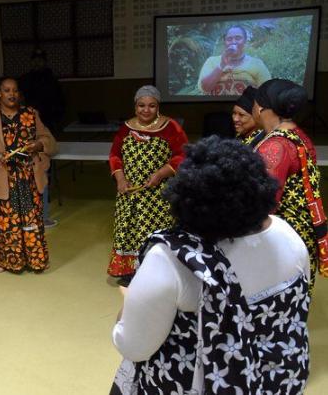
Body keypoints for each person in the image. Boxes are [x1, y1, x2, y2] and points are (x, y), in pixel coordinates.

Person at [111, 137, 310, 394]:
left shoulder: (171, 259)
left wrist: (127, 304)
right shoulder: (287, 236)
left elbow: (134, 346)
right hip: (276, 381)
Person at [0, 76, 57, 273]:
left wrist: (38, 144)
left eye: (15, 90)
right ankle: (7, 261)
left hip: (29, 177)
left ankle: (35, 261)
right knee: (6, 222)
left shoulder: (30, 114)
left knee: (32, 220)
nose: (12, 94)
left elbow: (48, 139)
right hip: (4, 177)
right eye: (7, 90)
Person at [108, 85, 187, 286]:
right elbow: (115, 155)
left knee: (155, 231)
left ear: (158, 106)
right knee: (130, 230)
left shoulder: (171, 127)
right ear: (135, 107)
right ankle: (130, 271)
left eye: (151, 106)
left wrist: (161, 174)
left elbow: (183, 154)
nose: (146, 110)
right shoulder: (126, 128)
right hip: (130, 193)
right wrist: (120, 179)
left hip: (158, 194)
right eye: (141, 105)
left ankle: (157, 272)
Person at [252, 78, 324, 290]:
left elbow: (264, 201)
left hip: (281, 241)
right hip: (300, 235)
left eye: (255, 103)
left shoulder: (275, 146)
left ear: (262, 107)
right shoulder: (296, 133)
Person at [19, 49, 65, 228]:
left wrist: (55, 124)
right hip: (24, 130)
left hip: (46, 127)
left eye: (40, 60)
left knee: (43, 170)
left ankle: (43, 211)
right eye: (35, 60)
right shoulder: (25, 80)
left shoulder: (52, 80)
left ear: (45, 61)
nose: (37, 63)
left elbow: (60, 103)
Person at [198, 25, 271, 96]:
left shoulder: (256, 63)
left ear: (245, 41)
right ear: (225, 42)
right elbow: (205, 88)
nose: (233, 42)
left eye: (238, 38)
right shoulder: (211, 61)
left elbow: (267, 92)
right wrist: (221, 65)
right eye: (229, 39)